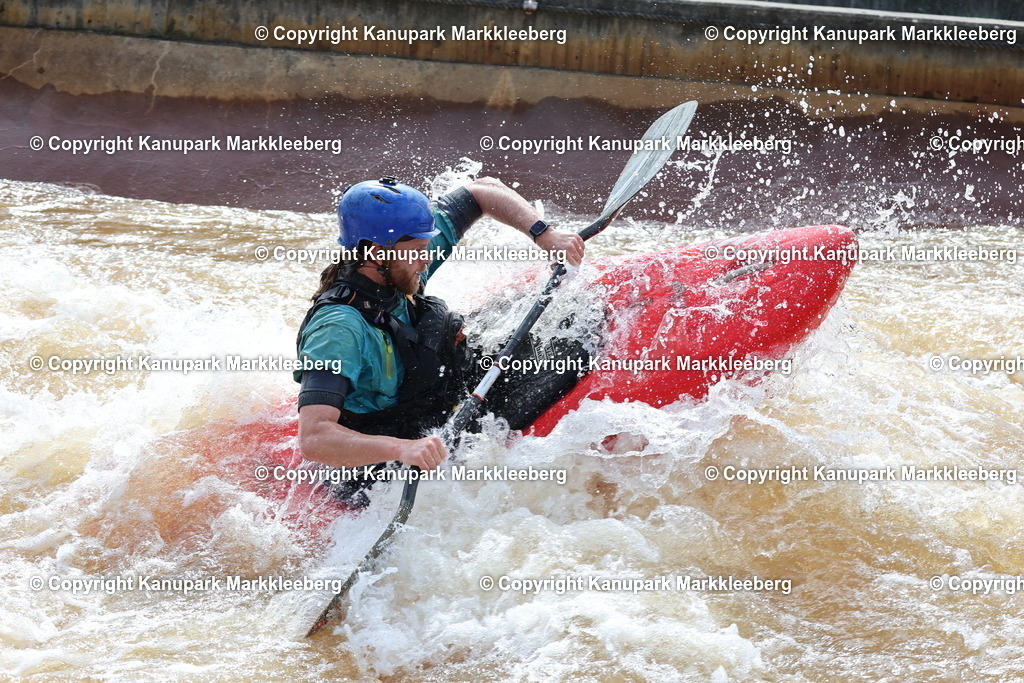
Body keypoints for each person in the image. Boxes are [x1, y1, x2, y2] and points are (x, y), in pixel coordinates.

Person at [294, 176, 585, 504]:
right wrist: (404, 450)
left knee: (574, 325)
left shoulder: (397, 261)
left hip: (437, 397)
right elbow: (314, 437)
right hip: (386, 454)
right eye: (418, 251)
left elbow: (482, 190)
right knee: (575, 355)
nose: (428, 258)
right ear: (376, 253)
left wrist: (544, 234)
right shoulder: (338, 329)